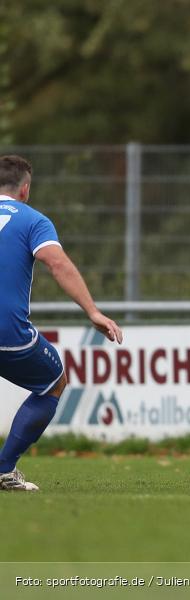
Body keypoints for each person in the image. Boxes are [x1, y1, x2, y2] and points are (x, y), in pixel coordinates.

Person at [0, 155, 123, 491]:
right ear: (25, 189)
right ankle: (4, 470)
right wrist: (93, 312)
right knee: (53, 382)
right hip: (6, 334)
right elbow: (58, 264)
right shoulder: (33, 220)